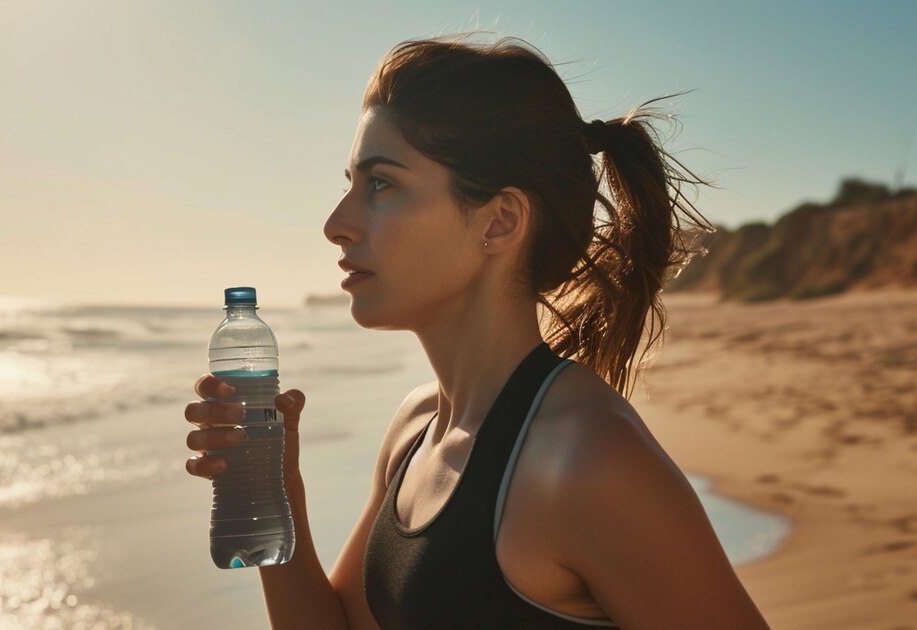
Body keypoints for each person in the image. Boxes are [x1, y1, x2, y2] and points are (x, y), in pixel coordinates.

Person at [184, 34, 771, 629]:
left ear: (500, 221)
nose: (336, 223)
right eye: (350, 185)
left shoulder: (586, 459)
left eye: (381, 184)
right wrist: (274, 489)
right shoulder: (416, 430)